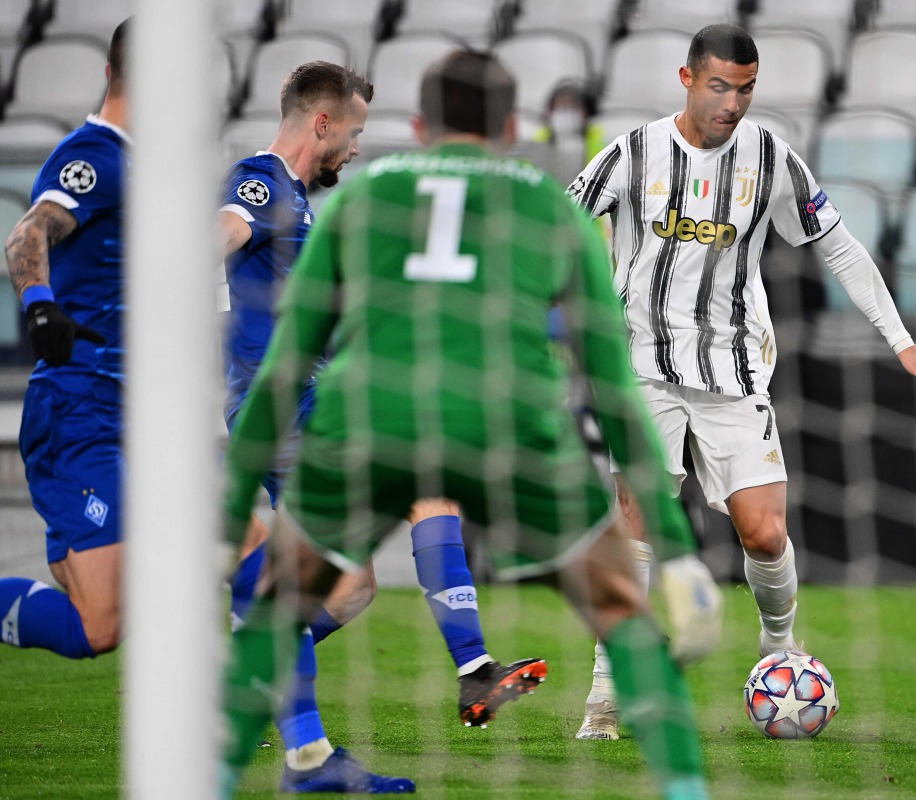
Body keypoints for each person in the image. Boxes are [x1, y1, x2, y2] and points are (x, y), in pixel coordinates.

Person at [220, 49, 723, 800]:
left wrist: (230, 506)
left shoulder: (363, 199)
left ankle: (238, 749)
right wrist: (676, 552)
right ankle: (683, 787)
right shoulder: (549, 205)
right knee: (622, 610)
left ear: (421, 129)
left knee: (301, 599)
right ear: (511, 129)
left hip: (368, 419)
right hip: (509, 426)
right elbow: (613, 385)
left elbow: (286, 360)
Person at [566, 23, 916, 740]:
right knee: (638, 517)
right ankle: (607, 694)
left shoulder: (771, 159)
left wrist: (900, 339)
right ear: (687, 79)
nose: (733, 103)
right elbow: (557, 224)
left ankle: (779, 647)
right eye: (719, 87)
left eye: (745, 89)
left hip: (734, 371)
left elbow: (839, 246)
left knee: (764, 533)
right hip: (641, 367)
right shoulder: (633, 153)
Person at [218, 61, 546, 792]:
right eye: (355, 131)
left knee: (352, 589)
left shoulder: (298, 201)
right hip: (286, 410)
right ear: (323, 123)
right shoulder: (261, 182)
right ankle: (472, 670)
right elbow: (222, 234)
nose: (358, 147)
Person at [0, 19, 129, 664]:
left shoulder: (146, 168)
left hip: (127, 411)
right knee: (97, 627)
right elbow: (27, 232)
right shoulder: (96, 156)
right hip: (80, 408)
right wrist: (40, 308)